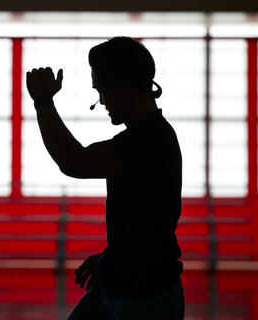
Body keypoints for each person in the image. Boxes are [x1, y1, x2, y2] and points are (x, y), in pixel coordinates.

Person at [26, 36, 184, 319]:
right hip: (120, 285)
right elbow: (146, 223)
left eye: (101, 91)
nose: (100, 102)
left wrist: (43, 101)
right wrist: (111, 258)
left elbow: (74, 161)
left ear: (122, 88)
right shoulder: (152, 136)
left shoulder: (147, 141)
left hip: (144, 297)